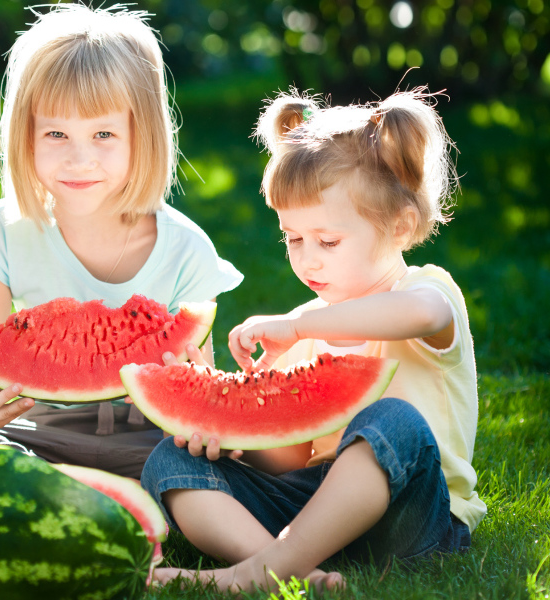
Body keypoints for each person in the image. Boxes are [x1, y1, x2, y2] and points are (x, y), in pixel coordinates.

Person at [140, 88, 484, 592]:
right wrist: (232, 436)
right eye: (292, 238)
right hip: (312, 510)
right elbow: (292, 455)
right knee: (168, 462)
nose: (307, 259)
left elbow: (419, 314)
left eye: (327, 241)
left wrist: (301, 327)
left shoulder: (427, 291)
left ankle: (256, 573)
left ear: (400, 226)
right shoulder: (305, 324)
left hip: (413, 516)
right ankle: (294, 568)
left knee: (394, 421)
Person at [0, 3, 242, 479]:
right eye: (56, 132)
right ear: (24, 136)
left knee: (233, 457)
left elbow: (195, 386)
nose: (79, 160)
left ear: (145, 136)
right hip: (32, 435)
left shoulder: (187, 251)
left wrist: (205, 421)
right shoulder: (1, 233)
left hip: (153, 447)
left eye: (103, 134)